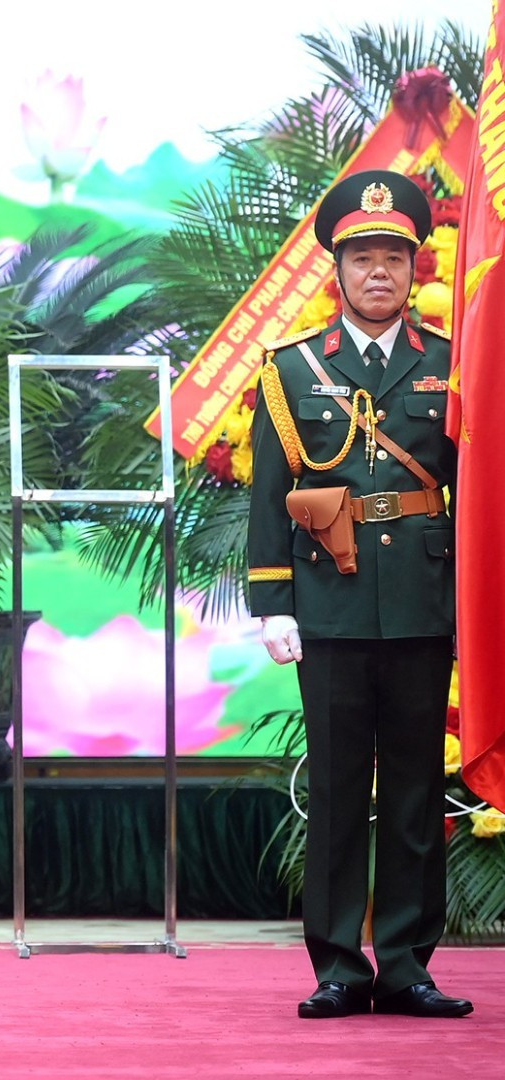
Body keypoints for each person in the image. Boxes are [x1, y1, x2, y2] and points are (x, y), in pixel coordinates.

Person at [248, 169, 469, 1019]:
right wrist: (273, 600)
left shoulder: (450, 365)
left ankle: (408, 964)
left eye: (394, 259)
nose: (379, 272)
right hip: (330, 606)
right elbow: (269, 491)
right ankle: (339, 964)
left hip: (423, 601)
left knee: (416, 790)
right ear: (335, 271)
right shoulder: (291, 368)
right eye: (363, 258)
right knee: (339, 789)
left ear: (415, 270)